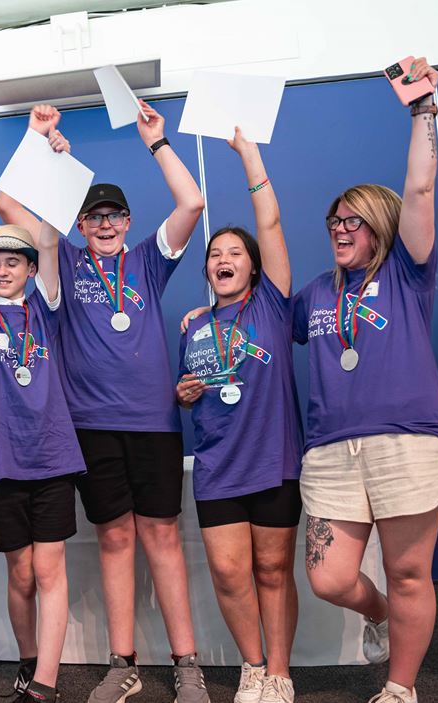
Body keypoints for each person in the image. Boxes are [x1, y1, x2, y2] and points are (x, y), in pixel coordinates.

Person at [0, 103, 209, 703]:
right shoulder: (60, 262)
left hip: (154, 426)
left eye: (114, 214)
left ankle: (187, 663)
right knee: (115, 539)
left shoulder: (146, 261)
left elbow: (191, 205)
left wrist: (157, 142)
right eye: (94, 216)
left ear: (128, 220)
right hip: (90, 426)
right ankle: (124, 663)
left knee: (162, 538)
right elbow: (8, 208)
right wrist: (44, 157)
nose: (107, 223)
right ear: (81, 223)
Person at [290, 58, 438, 703]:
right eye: (335, 219)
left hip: (409, 442)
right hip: (332, 449)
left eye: (354, 219)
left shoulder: (408, 274)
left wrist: (422, 113)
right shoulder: (315, 294)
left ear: (381, 228)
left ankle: (400, 687)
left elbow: (420, 193)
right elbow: (260, 326)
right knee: (330, 579)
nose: (339, 227)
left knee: (409, 570)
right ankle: (381, 615)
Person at [0, 120, 81, 703]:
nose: (4, 269)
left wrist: (51, 155)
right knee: (22, 572)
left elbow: (52, 239)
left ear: (30, 270)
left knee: (50, 570)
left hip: (52, 454)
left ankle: (45, 686)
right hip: (1, 460)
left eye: (16, 261)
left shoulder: (48, 312)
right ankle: (29, 661)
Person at [175, 129, 302, 703]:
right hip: (218, 467)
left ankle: (279, 671)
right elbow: (197, 391)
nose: (224, 260)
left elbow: (270, 224)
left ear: (253, 267)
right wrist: (185, 391)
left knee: (273, 571)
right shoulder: (196, 327)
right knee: (229, 574)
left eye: (235, 253)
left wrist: (249, 156)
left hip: (273, 462)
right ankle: (252, 667)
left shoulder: (273, 305)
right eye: (215, 255)